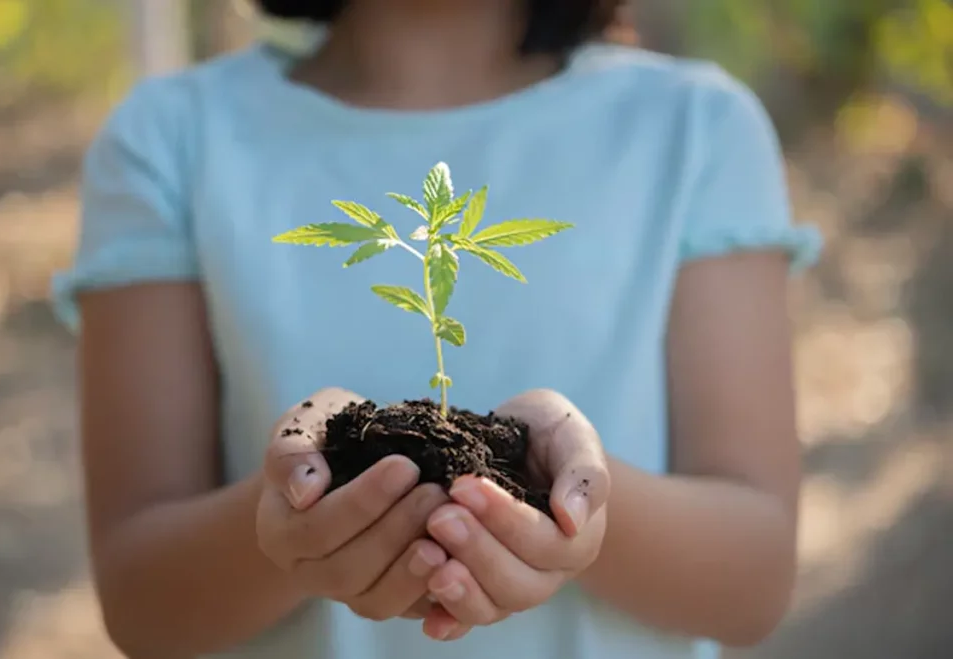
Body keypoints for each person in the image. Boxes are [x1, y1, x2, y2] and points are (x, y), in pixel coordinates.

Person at [51, 1, 822, 658]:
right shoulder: (168, 139)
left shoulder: (695, 129)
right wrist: (295, 518)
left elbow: (753, 579)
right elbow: (139, 599)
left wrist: (565, 503)